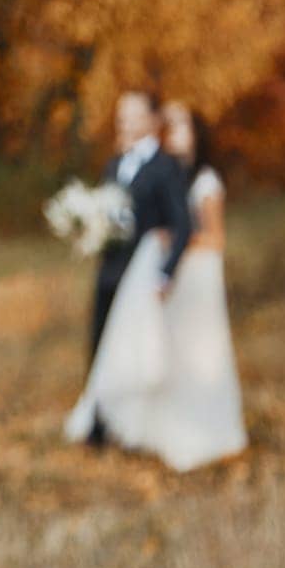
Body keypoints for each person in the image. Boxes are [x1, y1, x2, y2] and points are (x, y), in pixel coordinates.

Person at [69, 89, 193, 448]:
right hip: (109, 269)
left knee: (137, 353)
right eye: (121, 113)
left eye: (134, 113)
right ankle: (100, 422)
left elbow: (181, 224)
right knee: (99, 344)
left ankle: (138, 424)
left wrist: (165, 272)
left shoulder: (166, 166)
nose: (125, 120)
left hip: (141, 275)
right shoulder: (114, 164)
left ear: (154, 119)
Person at [144, 101, 247, 470]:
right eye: (168, 126)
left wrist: (177, 241)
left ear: (197, 133)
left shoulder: (205, 181)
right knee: (179, 353)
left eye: (180, 125)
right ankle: (178, 429)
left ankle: (214, 433)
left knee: (204, 351)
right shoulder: (173, 178)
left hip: (201, 276)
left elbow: (216, 239)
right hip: (182, 275)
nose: (173, 133)